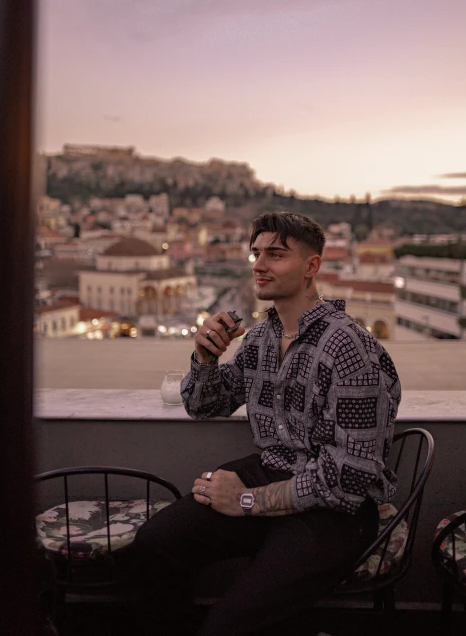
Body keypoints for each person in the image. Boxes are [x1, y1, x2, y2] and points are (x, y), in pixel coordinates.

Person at [134, 211, 401, 636]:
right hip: (271, 474)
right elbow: (204, 406)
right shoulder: (259, 338)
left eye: (275, 254)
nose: (259, 264)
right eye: (256, 253)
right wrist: (205, 358)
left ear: (311, 267)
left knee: (229, 625)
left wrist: (246, 501)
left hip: (336, 512)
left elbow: (348, 479)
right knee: (153, 547)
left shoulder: (348, 348)